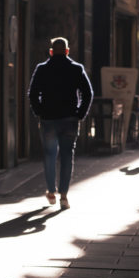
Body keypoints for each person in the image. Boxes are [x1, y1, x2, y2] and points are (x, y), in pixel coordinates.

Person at [27, 37, 93, 210]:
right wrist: (80, 113)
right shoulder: (76, 69)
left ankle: (50, 190)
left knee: (49, 155)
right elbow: (88, 93)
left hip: (48, 119)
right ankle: (64, 196)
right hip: (70, 118)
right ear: (67, 51)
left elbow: (32, 93)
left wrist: (39, 111)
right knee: (66, 156)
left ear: (51, 51)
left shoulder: (42, 69)